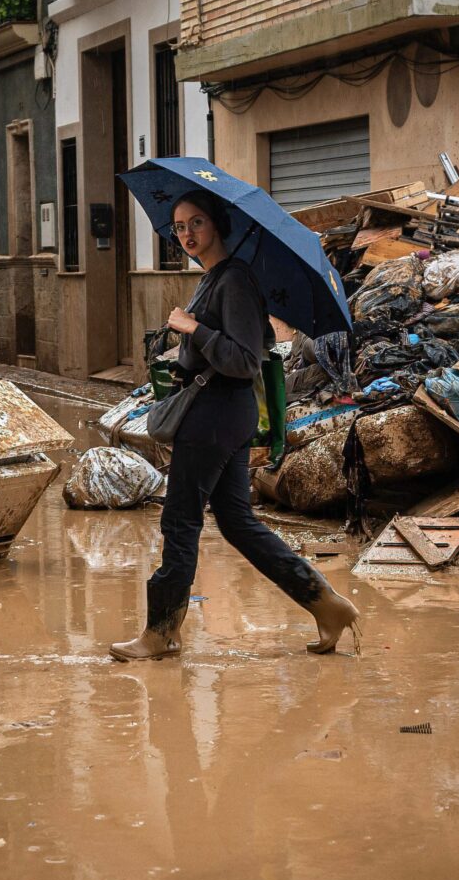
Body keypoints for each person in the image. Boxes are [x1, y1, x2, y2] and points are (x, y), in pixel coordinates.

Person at [112, 189, 361, 661]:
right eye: (179, 227)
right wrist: (186, 353)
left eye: (197, 223)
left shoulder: (236, 282)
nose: (186, 234)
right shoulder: (214, 279)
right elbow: (216, 351)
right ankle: (326, 604)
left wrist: (193, 329)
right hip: (222, 414)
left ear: (219, 226)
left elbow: (244, 360)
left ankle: (160, 632)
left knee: (180, 520)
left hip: (215, 417)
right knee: (237, 522)